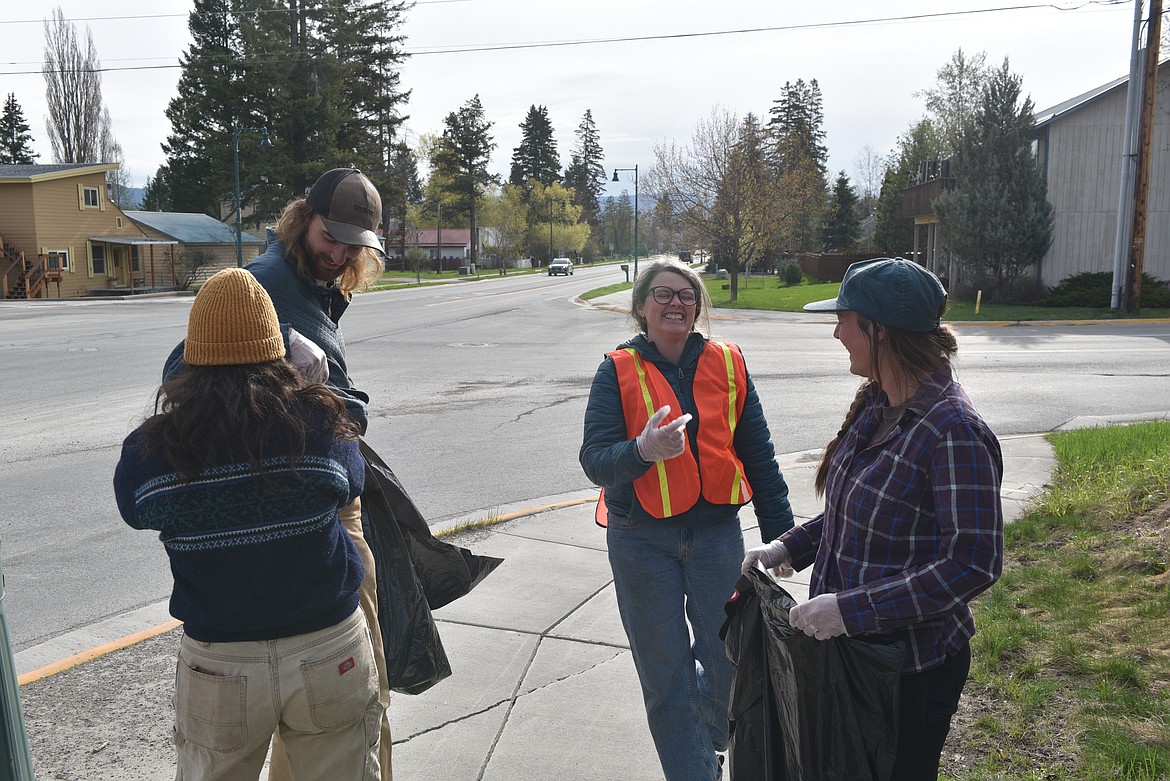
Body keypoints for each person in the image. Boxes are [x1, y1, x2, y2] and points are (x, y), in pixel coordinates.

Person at [163, 167, 393, 779]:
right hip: (306, 506)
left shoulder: (308, 283)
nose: (339, 253)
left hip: (305, 490)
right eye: (330, 236)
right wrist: (289, 363)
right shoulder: (263, 285)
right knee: (350, 688)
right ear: (302, 219)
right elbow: (180, 374)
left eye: (354, 245)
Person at [742, 257, 1004, 780]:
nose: (837, 333)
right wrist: (787, 548)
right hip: (854, 659)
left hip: (910, 671)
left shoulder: (952, 429)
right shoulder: (878, 401)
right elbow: (854, 511)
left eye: (845, 320)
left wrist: (850, 610)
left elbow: (973, 563)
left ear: (879, 330)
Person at [114, 269, 381, 780]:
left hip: (218, 661)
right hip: (328, 647)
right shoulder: (318, 427)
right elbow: (351, 481)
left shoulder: (151, 453)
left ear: (189, 362)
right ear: (278, 353)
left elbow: (135, 511)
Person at [580, 259, 794, 781]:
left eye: (686, 295)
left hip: (717, 536)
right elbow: (595, 459)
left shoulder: (728, 362)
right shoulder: (617, 369)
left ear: (698, 306)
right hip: (639, 541)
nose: (675, 303)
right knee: (665, 678)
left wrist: (783, 535)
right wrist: (643, 450)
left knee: (728, 663)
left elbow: (758, 453)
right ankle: (695, 769)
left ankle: (702, 741)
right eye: (662, 294)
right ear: (640, 309)